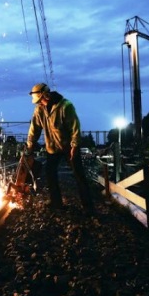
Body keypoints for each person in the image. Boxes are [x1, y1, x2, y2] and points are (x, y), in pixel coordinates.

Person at [24, 83, 94, 213]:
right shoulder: (40, 110)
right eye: (38, 102)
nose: (40, 103)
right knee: (50, 174)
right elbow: (34, 129)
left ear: (46, 95)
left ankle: (88, 206)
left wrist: (75, 145)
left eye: (41, 100)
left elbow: (75, 128)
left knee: (79, 175)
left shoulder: (65, 106)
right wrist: (30, 145)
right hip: (52, 148)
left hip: (69, 147)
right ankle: (57, 204)